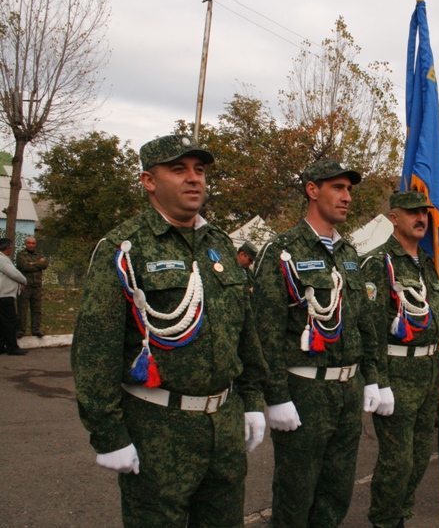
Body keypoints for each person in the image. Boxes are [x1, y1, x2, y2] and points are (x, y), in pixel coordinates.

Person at [71, 134, 268, 527]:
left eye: (199, 170)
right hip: (158, 430)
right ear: (148, 181)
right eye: (178, 170)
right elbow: (95, 350)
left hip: (224, 427)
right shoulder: (125, 248)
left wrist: (253, 400)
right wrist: (108, 433)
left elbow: (244, 333)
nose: (194, 179)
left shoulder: (220, 245)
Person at [252, 160, 380, 528]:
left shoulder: (350, 255)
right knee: (296, 491)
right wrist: (276, 395)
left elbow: (363, 325)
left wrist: (371, 378)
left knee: (337, 488)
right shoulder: (282, 250)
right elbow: (266, 332)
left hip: (348, 388)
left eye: (349, 190)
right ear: (312, 190)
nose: (347, 197)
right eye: (338, 188)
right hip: (305, 389)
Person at [360, 191, 439, 528]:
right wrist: (378, 381)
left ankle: (401, 512)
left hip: (429, 371)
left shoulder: (428, 263)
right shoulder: (378, 262)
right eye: (412, 212)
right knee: (397, 459)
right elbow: (369, 329)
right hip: (397, 372)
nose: (421, 218)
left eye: (424, 212)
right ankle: (384, 520)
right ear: (394, 218)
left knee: (420, 454)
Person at [15, 236, 48, 337]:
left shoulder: (39, 254)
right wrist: (38, 263)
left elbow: (45, 265)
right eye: (29, 243)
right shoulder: (21, 255)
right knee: (22, 309)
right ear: (26, 244)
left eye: (33, 243)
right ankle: (21, 330)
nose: (31, 245)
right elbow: (24, 266)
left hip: (37, 286)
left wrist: (32, 263)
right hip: (25, 286)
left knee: (37, 309)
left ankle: (36, 329)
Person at [0, 238, 27, 355]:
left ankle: (1, 346)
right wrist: (24, 280)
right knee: (10, 321)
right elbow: (13, 273)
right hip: (5, 295)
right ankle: (12, 347)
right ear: (7, 248)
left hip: (2, 295)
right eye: (11, 247)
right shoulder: (2, 259)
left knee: (2, 322)